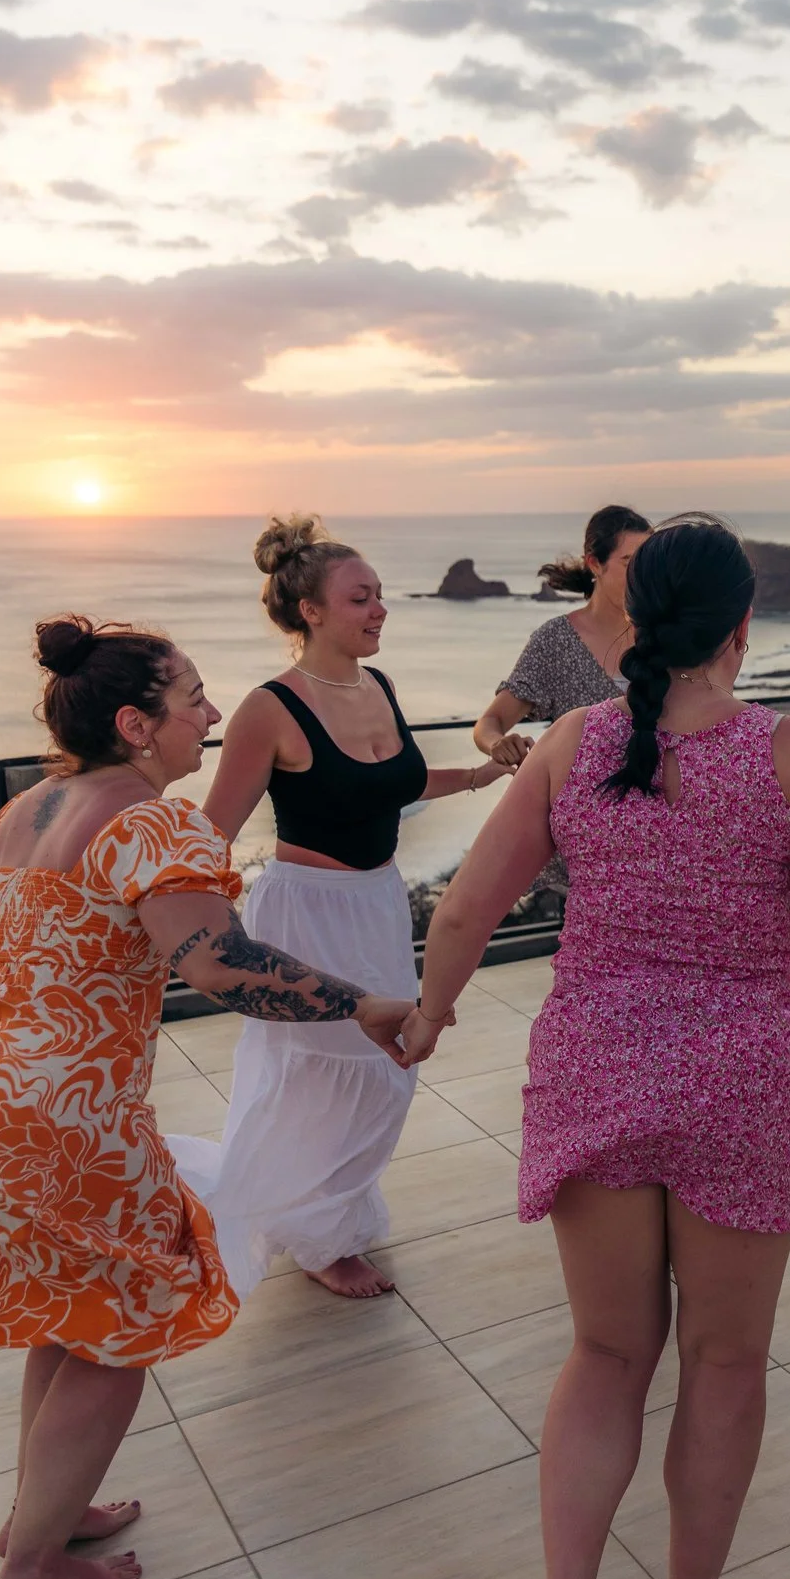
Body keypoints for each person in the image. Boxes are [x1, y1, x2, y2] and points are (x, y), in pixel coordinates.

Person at [403, 517, 790, 1579]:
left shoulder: (570, 742)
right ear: (741, 627)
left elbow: (463, 907)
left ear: (632, 622)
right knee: (724, 1363)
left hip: (594, 1065)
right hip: (744, 1076)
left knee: (604, 1351)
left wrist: (434, 1012)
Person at [0, 617, 414, 1579]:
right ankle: (30, 1568)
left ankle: (42, 1513)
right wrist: (365, 1002)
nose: (213, 715)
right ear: (138, 723)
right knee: (124, 1327)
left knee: (68, 1308)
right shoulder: (149, 821)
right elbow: (219, 962)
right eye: (193, 700)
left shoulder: (29, 804)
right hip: (57, 1115)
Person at [187, 516, 511, 1301]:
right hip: (305, 913)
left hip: (376, 904)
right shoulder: (269, 708)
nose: (379, 610)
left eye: (379, 596)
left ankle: (327, 1213)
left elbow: (390, 780)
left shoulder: (378, 686)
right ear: (312, 612)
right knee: (329, 1073)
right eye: (360, 598)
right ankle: (318, 1236)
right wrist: (181, 924)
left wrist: (475, 777)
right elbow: (211, 833)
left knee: (383, 1072)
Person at [473, 504, 651, 767]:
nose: (641, 573)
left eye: (647, 561)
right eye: (628, 561)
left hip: (661, 803)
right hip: (579, 802)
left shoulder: (665, 635)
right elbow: (489, 723)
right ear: (594, 564)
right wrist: (499, 744)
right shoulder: (556, 640)